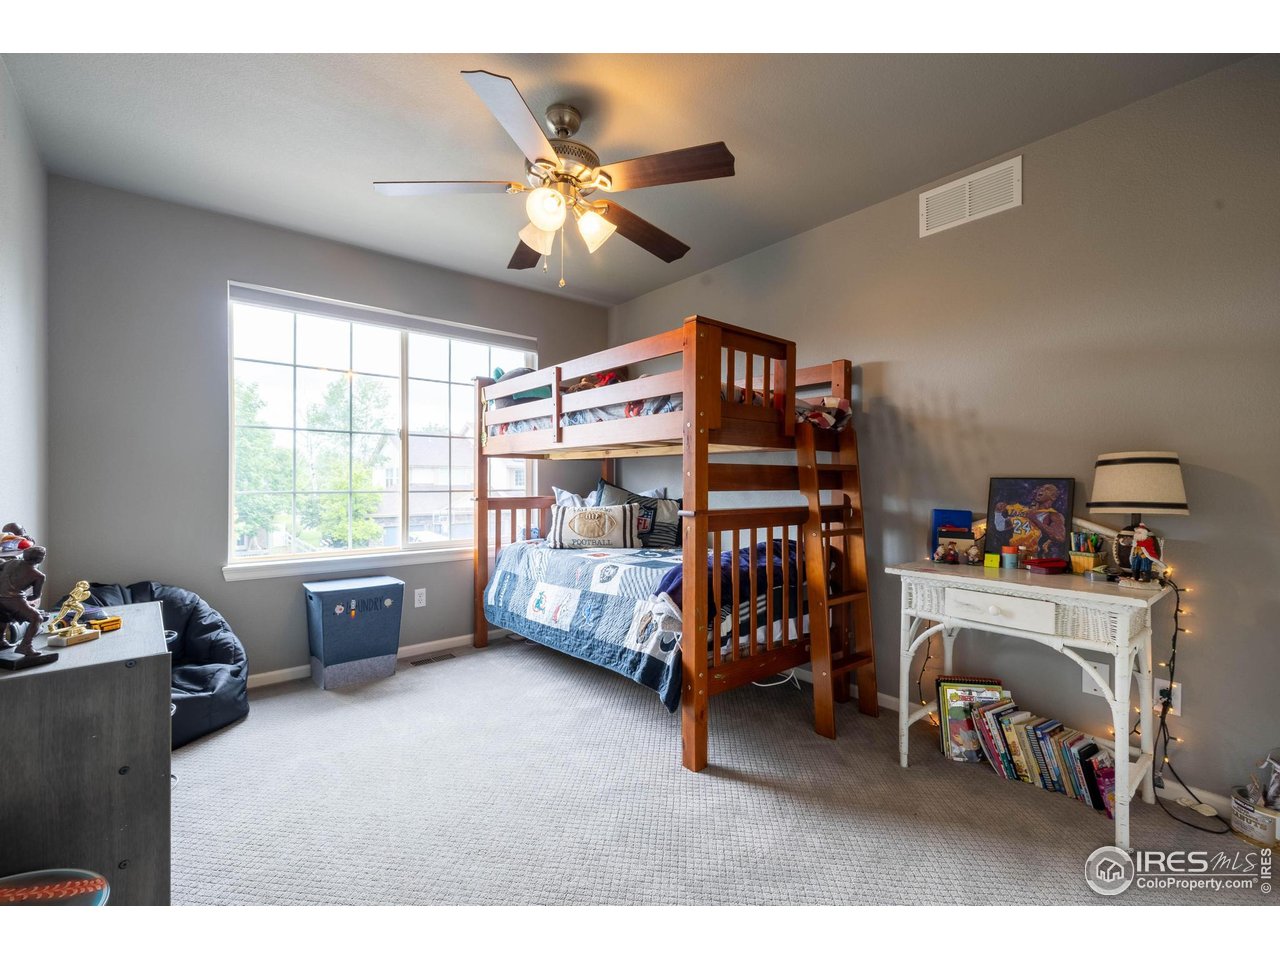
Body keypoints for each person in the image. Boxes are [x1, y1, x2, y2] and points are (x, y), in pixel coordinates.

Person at [995, 483, 1068, 558]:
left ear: (1053, 497)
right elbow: (1000, 527)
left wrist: (1036, 520)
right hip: (1014, 554)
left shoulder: (1053, 515)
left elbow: (1060, 537)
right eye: (1041, 487)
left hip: (1034, 556)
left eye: (1047, 489)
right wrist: (998, 512)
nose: (1041, 489)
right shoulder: (1024, 511)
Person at [0, 546, 46, 657]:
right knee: (37, 618)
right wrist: (27, 600)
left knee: (3, 617)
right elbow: (36, 595)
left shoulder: (12, 562)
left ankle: (0, 641)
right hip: (14, 599)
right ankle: (25, 646)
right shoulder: (38, 575)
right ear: (40, 559)